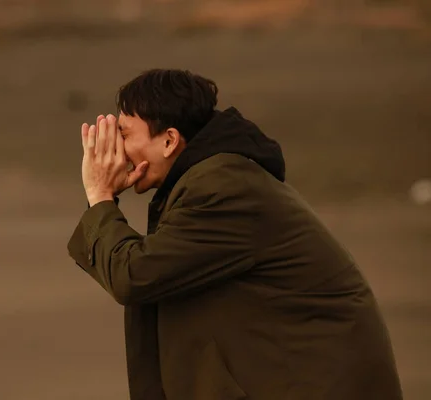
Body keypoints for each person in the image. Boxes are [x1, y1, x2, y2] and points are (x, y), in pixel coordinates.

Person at [67, 69, 403, 400]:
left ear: (169, 140)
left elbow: (135, 275)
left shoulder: (222, 189)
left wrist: (100, 196)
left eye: (124, 134)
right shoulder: (208, 180)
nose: (117, 151)